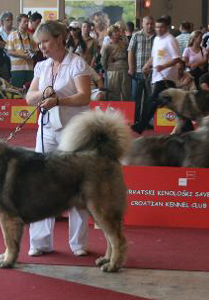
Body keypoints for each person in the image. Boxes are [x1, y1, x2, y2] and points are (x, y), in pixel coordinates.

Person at [25, 20, 91, 257]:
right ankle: (40, 242)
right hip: (46, 130)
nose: (42, 46)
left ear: (59, 38)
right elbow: (28, 97)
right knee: (41, 182)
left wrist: (59, 100)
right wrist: (42, 94)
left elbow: (85, 97)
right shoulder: (41, 67)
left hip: (74, 131)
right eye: (39, 43)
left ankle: (78, 243)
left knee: (76, 184)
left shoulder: (77, 63)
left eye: (45, 41)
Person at [131, 16, 181, 134]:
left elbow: (177, 59)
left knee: (152, 101)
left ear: (166, 28)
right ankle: (187, 125)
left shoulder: (170, 40)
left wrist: (163, 66)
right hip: (158, 76)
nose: (158, 29)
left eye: (161, 27)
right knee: (174, 104)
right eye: (157, 27)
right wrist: (147, 65)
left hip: (167, 78)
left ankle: (141, 126)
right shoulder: (158, 40)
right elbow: (154, 57)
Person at [128, 16, 155, 123]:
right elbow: (130, 52)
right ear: (143, 24)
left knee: (149, 99)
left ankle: (145, 121)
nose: (149, 26)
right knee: (136, 97)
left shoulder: (157, 37)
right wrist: (131, 67)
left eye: (151, 24)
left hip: (152, 72)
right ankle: (135, 120)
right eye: (147, 24)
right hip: (138, 71)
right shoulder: (136, 35)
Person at [7, 14, 38, 88]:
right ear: (19, 23)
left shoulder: (31, 35)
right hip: (17, 68)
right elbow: (9, 52)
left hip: (30, 68)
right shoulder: (12, 35)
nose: (27, 23)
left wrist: (32, 53)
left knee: (30, 90)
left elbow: (36, 50)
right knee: (18, 91)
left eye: (28, 21)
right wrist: (23, 55)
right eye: (24, 21)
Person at [101, 25, 130, 101]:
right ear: (110, 34)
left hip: (124, 69)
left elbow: (128, 56)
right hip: (113, 71)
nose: (117, 33)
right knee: (113, 94)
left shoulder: (124, 44)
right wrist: (107, 68)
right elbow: (103, 60)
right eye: (115, 32)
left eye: (118, 31)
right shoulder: (107, 46)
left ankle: (127, 110)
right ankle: (114, 111)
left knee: (126, 93)